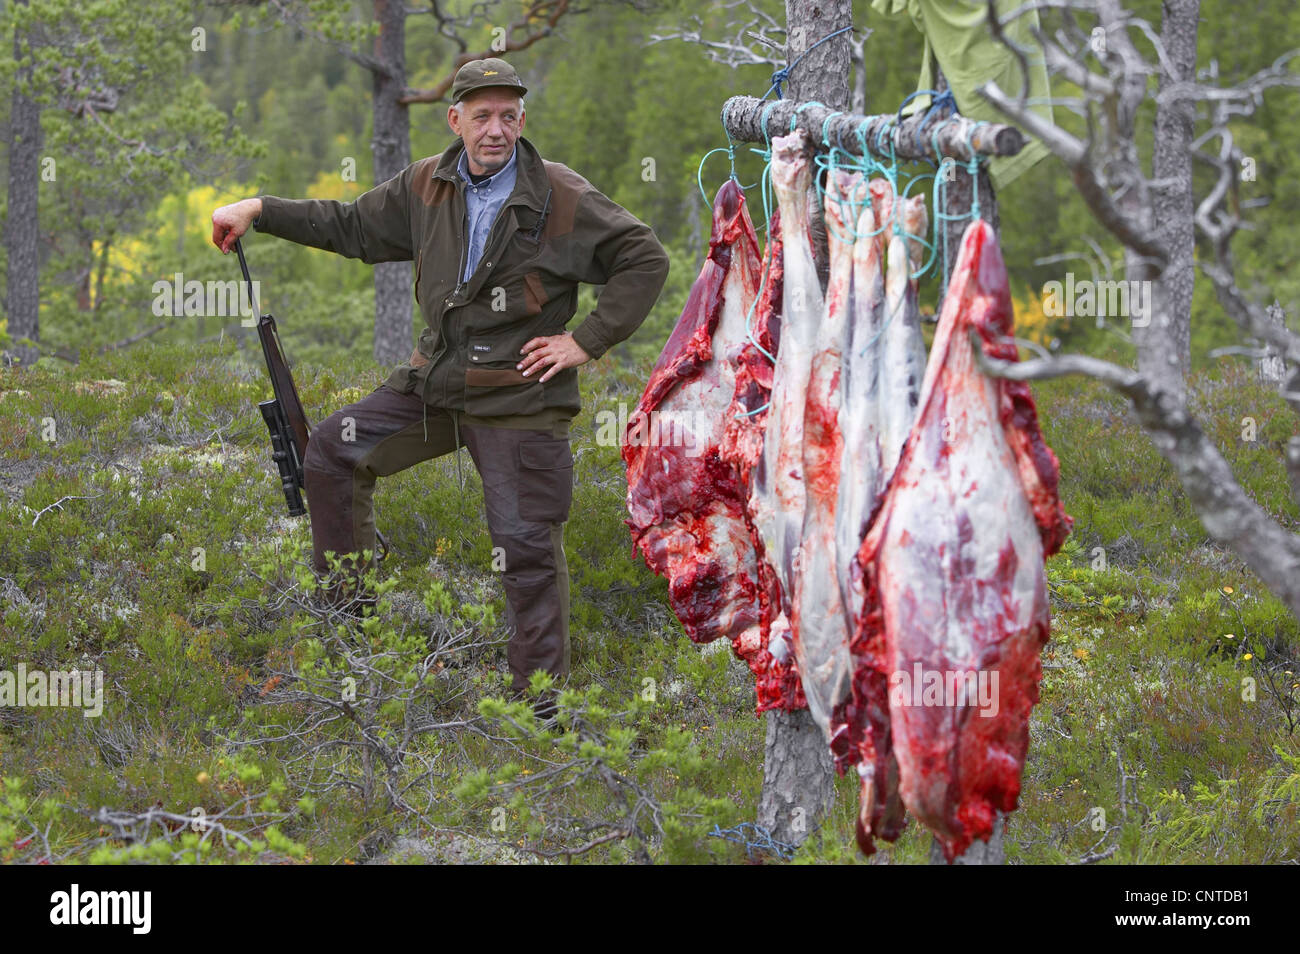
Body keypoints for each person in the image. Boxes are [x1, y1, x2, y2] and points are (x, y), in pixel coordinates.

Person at [211, 57, 670, 706]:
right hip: (437, 384)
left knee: (525, 546)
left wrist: (586, 341)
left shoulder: (560, 194)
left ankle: (538, 711)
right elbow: (350, 227)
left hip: (519, 398)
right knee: (332, 451)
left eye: (508, 115)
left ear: (522, 120)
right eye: (481, 115)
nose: (496, 129)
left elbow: (644, 257)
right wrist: (260, 208)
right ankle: (349, 642)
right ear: (455, 120)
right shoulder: (428, 184)